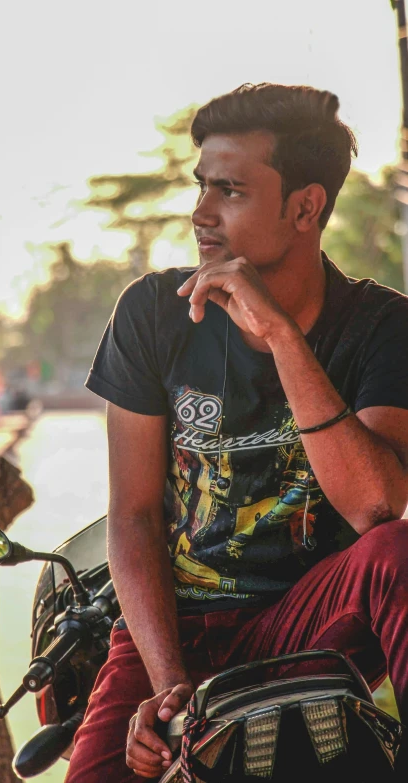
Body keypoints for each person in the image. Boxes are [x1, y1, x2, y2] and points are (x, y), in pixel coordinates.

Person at [66, 83, 408, 782]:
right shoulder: (154, 314)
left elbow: (377, 508)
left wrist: (280, 335)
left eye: (230, 191)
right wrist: (168, 689)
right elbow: (131, 517)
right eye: (201, 186)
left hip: (308, 620)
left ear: (305, 206)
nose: (201, 213)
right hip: (173, 626)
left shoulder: (383, 327)